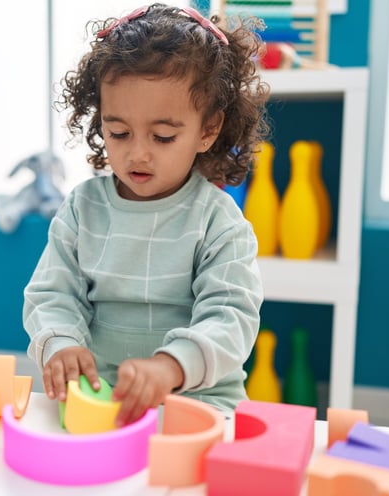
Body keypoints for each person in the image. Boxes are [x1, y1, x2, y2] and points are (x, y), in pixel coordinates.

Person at [23, 3, 268, 427]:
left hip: (199, 404)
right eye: (118, 132)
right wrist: (60, 343)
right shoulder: (83, 210)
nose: (138, 152)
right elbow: (52, 295)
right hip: (99, 402)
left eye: (163, 136)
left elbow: (231, 317)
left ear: (208, 129)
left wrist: (170, 367)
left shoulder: (218, 221)